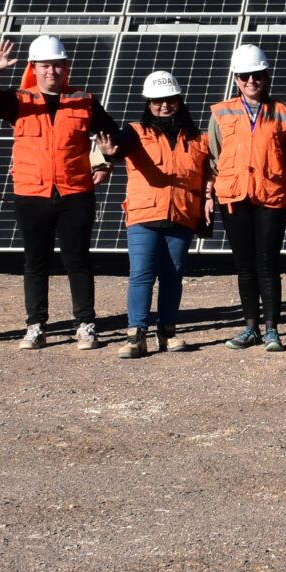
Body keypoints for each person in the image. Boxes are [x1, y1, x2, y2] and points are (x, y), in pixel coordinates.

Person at [0, 35, 116, 350]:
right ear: (35, 68)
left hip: (75, 193)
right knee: (35, 261)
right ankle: (35, 325)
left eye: (57, 65)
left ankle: (85, 324)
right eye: (45, 66)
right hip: (32, 193)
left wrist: (105, 161)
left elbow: (110, 135)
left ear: (66, 67)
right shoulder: (20, 100)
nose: (52, 72)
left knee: (78, 261)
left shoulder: (84, 100)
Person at [211, 43, 286, 351]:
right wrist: (211, 191)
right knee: (245, 263)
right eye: (245, 76)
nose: (251, 81)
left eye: (257, 75)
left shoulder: (284, 113)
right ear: (236, 79)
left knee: (267, 261)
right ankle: (250, 328)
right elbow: (212, 156)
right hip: (234, 196)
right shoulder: (221, 113)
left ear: (266, 77)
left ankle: (272, 328)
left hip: (271, 196)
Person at [114, 70, 209, 359]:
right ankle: (136, 334)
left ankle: (167, 332)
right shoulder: (134, 131)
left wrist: (208, 200)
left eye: (169, 100)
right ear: (148, 103)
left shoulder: (198, 139)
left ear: (179, 101)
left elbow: (207, 175)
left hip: (181, 215)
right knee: (141, 275)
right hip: (144, 216)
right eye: (157, 101)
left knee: (172, 277)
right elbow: (116, 149)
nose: (164, 106)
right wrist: (107, 153)